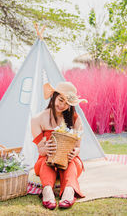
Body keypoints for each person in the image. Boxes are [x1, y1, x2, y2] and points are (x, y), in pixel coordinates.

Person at [31, 81, 87, 210]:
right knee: (46, 162)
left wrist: (75, 152)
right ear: (54, 96)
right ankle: (47, 192)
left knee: (71, 162)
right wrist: (46, 149)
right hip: (45, 160)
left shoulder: (75, 119)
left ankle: (69, 192)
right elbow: (40, 149)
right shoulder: (38, 119)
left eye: (67, 103)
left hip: (69, 160)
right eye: (60, 100)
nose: (62, 105)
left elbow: (78, 147)